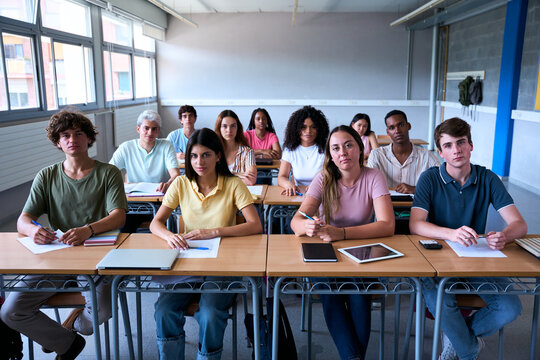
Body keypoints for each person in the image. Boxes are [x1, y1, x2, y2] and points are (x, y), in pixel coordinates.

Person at [0, 109, 127, 360]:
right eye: (65, 135)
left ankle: (71, 325)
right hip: (57, 255)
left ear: (89, 138)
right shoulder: (46, 176)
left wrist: (87, 230)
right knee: (10, 311)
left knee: (100, 313)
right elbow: (23, 220)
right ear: (57, 142)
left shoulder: (108, 172)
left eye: (79, 133)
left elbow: (118, 216)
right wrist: (34, 230)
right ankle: (68, 342)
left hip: (98, 256)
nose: (72, 139)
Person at [409, 117, 527, 360]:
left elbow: (519, 224)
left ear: (470, 145)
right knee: (444, 303)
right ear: (440, 152)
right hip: (435, 258)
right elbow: (415, 224)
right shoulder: (429, 179)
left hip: (474, 255)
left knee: (511, 307)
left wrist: (504, 235)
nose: (457, 150)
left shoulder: (488, 178)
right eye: (449, 145)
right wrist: (451, 233)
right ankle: (469, 350)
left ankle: (458, 339)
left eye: (461, 142)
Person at [149, 128, 262, 360]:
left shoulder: (233, 184)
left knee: (209, 314)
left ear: (218, 156)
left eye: (206, 155)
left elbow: (255, 225)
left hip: (223, 263)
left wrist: (214, 232)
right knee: (164, 310)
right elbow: (156, 223)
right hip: (188, 262)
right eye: (194, 156)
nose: (199, 162)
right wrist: (169, 236)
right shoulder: (181, 183)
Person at [290, 125, 394, 360]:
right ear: (330, 155)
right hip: (325, 252)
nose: (343, 152)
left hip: (361, 251)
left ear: (359, 148)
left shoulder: (373, 176)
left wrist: (342, 233)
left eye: (348, 145)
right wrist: (306, 226)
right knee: (330, 292)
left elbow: (388, 225)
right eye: (335, 148)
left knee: (359, 293)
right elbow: (296, 221)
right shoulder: (323, 178)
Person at [367, 109, 439, 194]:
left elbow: (442, 184)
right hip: (385, 205)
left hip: (418, 205)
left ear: (408, 126)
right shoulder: (377, 155)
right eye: (391, 128)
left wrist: (416, 189)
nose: (397, 131)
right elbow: (368, 184)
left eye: (401, 125)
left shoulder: (426, 156)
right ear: (388, 132)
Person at [110, 110, 180, 193]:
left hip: (159, 197)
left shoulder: (166, 146)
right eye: (146, 128)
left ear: (158, 131)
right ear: (138, 129)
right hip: (133, 199)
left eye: (154, 129)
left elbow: (175, 174)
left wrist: (168, 184)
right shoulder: (125, 147)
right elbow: (109, 172)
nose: (150, 132)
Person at [278, 106, 330, 196]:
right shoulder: (290, 150)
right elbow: (281, 177)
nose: (308, 131)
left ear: (319, 129)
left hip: (323, 194)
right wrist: (288, 184)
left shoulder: (328, 149)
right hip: (299, 195)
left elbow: (332, 176)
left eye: (313, 127)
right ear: (296, 129)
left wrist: (316, 186)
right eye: (303, 127)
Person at [214, 109, 257, 186]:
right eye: (224, 126)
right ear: (219, 128)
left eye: (233, 126)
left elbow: (250, 180)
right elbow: (209, 178)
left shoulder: (247, 152)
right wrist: (237, 174)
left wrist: (222, 177)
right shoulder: (213, 151)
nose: (229, 130)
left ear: (238, 128)